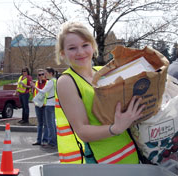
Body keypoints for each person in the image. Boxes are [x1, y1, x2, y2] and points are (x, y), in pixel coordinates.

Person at [54, 21, 145, 164]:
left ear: (93, 46)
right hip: (104, 163)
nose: (80, 52)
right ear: (63, 53)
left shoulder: (103, 72)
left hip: (131, 154)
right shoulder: (67, 81)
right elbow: (82, 131)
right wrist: (116, 128)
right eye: (72, 48)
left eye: (85, 45)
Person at [31, 67, 57, 148]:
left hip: (49, 104)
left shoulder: (50, 82)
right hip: (53, 103)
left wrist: (34, 86)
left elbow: (43, 91)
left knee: (50, 124)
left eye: (45, 73)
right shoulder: (55, 80)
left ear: (51, 73)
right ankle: (53, 141)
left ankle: (51, 142)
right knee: (52, 124)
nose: (44, 75)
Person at [32, 69, 49, 146]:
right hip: (38, 105)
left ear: (45, 75)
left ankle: (45, 140)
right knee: (39, 123)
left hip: (45, 105)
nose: (41, 76)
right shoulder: (36, 83)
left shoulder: (48, 83)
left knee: (46, 123)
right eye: (39, 75)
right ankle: (38, 140)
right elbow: (34, 93)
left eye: (42, 74)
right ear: (37, 76)